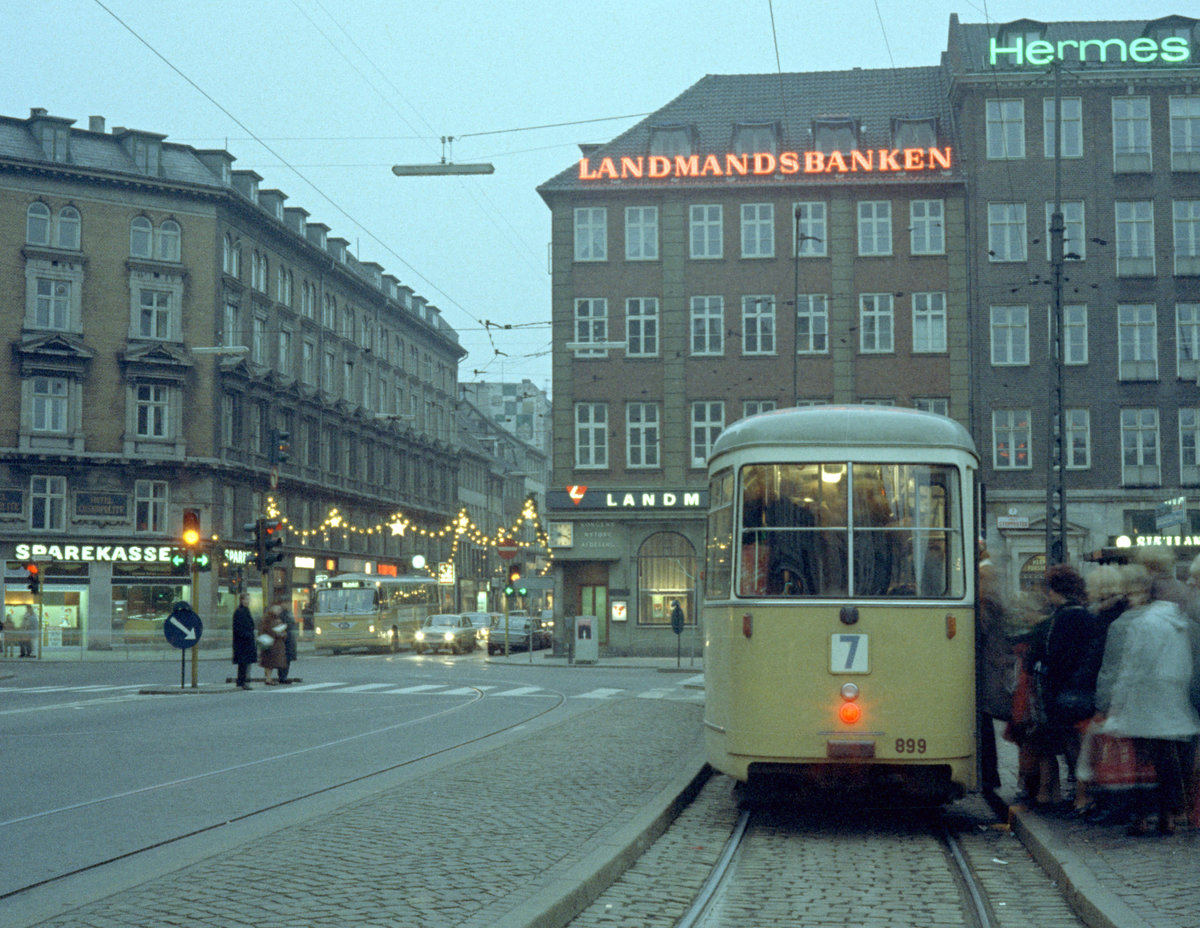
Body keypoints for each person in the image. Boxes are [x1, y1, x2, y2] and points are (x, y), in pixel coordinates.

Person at [1029, 563, 1100, 807]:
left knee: (1068, 744)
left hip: (1063, 690)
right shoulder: (1089, 616)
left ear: (1054, 591)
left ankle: (1078, 796)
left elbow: (1053, 658)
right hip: (1087, 687)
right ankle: (1083, 794)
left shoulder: (1057, 620)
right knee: (1079, 743)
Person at [976, 545, 1012, 792]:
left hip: (989, 661)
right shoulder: (986, 578)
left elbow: (987, 625)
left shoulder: (985, 579)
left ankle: (989, 774)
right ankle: (988, 774)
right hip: (990, 659)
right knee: (983, 716)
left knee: (984, 714)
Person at [231, 593, 257, 690]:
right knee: (243, 663)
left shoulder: (246, 611)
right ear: (241, 600)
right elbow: (239, 628)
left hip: (246, 641)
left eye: (249, 599)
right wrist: (247, 635)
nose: (248, 601)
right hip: (242, 643)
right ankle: (242, 682)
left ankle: (243, 681)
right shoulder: (239, 612)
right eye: (246, 599)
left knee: (246, 663)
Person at [258, 605, 288, 685]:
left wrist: (283, 634)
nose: (279, 611)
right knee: (268, 662)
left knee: (271, 662)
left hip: (276, 644)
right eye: (277, 609)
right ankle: (268, 678)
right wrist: (278, 633)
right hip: (270, 643)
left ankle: (269, 678)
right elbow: (267, 630)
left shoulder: (277, 619)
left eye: (280, 610)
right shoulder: (268, 619)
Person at [275, 601, 298, 684]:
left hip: (289, 638)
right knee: (284, 659)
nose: (289, 605)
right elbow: (282, 626)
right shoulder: (282, 614)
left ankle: (284, 676)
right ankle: (282, 677)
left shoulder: (288, 613)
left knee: (288, 659)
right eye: (287, 604)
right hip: (285, 639)